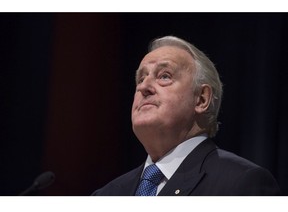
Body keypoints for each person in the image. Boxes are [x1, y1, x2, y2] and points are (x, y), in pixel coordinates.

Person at [92, 36, 281, 196]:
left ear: (201, 99)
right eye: (141, 79)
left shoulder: (243, 184)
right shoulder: (105, 195)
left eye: (164, 76)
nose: (143, 87)